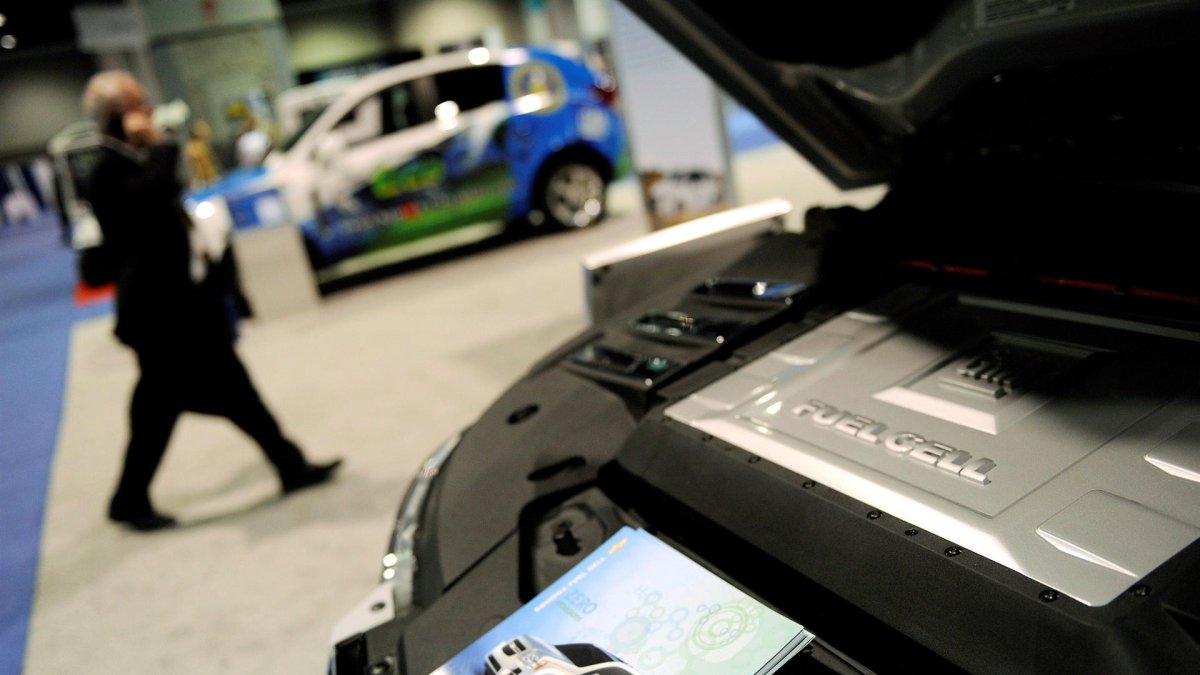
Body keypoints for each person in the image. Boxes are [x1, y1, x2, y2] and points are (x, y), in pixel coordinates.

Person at [81, 69, 341, 531]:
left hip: (183, 308)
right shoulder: (108, 169)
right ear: (119, 116)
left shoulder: (132, 161)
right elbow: (148, 202)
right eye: (137, 105)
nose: (147, 113)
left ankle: (288, 465)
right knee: (169, 406)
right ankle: (132, 497)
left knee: (207, 397)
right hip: (161, 316)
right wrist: (160, 146)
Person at [183, 119, 221, 188]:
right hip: (204, 182)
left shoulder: (202, 146)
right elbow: (199, 169)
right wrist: (209, 180)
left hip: (208, 180)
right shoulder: (196, 148)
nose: (208, 133)